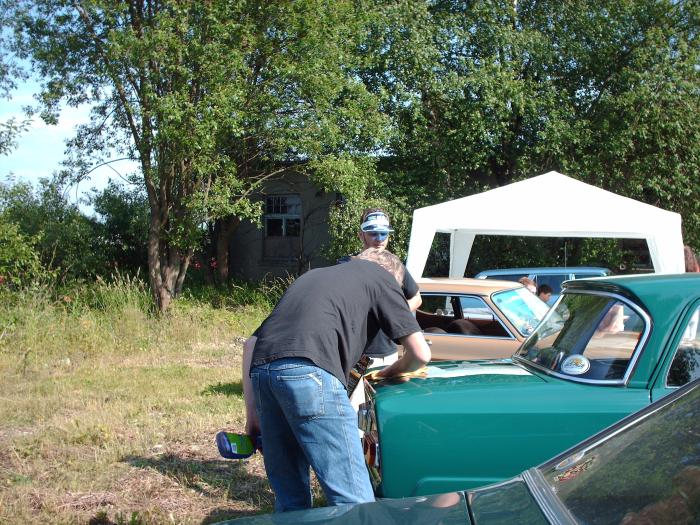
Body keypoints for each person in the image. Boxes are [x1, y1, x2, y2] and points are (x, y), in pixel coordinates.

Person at [242, 248, 431, 512]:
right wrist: (388, 373)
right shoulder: (382, 278)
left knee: (290, 498)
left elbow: (250, 344)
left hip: (264, 374)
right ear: (393, 278)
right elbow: (421, 354)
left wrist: (253, 414)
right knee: (353, 499)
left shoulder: (313, 277)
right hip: (311, 374)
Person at [338, 208, 422, 367]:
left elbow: (417, 298)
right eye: (373, 233)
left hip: (387, 353)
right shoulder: (346, 264)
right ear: (361, 235)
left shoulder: (394, 265)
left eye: (384, 233)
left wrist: (392, 313)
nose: (379, 239)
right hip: (355, 352)